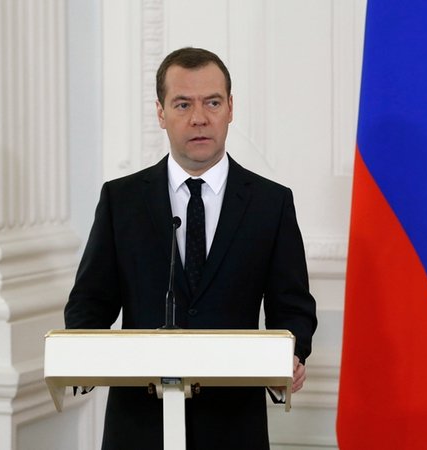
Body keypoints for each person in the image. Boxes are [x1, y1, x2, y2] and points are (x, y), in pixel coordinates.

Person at [64, 47, 318, 450]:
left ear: (230, 108)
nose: (199, 118)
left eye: (212, 102)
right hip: (139, 427)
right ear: (161, 112)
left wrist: (291, 354)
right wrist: (81, 356)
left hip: (233, 427)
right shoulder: (122, 200)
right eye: (183, 104)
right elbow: (89, 303)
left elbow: (293, 306)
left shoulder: (270, 203)